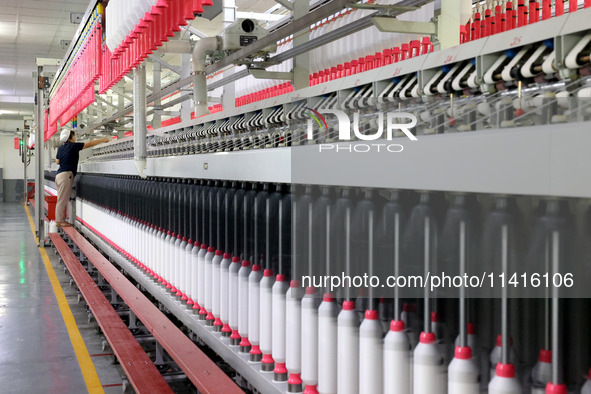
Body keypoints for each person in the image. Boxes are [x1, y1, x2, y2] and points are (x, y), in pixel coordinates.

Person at [55, 130, 109, 227]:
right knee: (62, 200)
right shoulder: (73, 146)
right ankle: (60, 221)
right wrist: (102, 140)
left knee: (60, 199)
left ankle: (60, 220)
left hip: (59, 175)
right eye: (74, 137)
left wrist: (66, 158)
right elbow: (90, 143)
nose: (75, 138)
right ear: (70, 138)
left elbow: (57, 161)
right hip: (66, 175)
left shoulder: (61, 148)